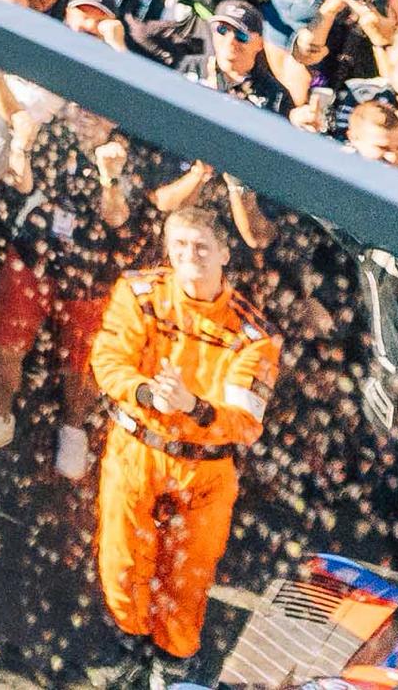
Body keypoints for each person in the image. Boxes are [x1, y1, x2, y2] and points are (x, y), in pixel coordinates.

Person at [85, 204, 277, 690]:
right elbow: (109, 361)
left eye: (201, 247)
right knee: (122, 563)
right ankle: (126, 651)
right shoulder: (140, 293)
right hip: (136, 448)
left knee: (187, 581)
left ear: (225, 253)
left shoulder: (251, 335)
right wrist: (149, 393)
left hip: (206, 472)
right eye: (179, 246)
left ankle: (173, 670)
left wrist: (193, 407)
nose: (188, 256)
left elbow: (244, 423)